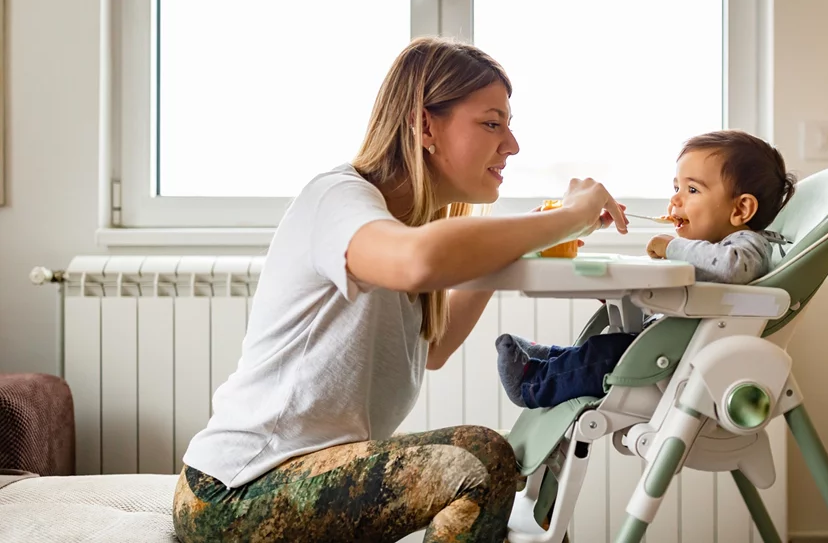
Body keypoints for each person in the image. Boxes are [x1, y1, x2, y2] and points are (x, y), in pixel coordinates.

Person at [171, 37, 629, 543]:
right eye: (492, 123)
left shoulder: (408, 223)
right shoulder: (338, 198)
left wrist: (532, 238)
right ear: (425, 126)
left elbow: (435, 347)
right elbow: (418, 261)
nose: (512, 145)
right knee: (480, 459)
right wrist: (569, 217)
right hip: (235, 490)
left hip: (299, 472)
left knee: (510, 459)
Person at [496, 130, 796, 409]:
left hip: (686, 362)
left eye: (692, 189)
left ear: (740, 209)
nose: (675, 199)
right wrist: (631, 293)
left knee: (608, 355)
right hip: (667, 347)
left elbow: (732, 268)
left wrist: (672, 247)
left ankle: (534, 383)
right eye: (676, 187)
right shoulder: (706, 253)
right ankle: (549, 359)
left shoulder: (749, 245)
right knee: (604, 348)